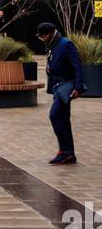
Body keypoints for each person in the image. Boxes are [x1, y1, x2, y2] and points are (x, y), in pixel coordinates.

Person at [38, 22, 84, 165]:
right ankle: (69, 153)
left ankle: (64, 151)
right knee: (63, 118)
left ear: (51, 33)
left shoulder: (66, 44)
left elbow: (77, 66)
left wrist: (78, 87)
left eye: (43, 35)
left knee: (55, 115)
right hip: (58, 86)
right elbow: (53, 60)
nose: (41, 38)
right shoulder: (51, 44)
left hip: (67, 85)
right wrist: (49, 66)